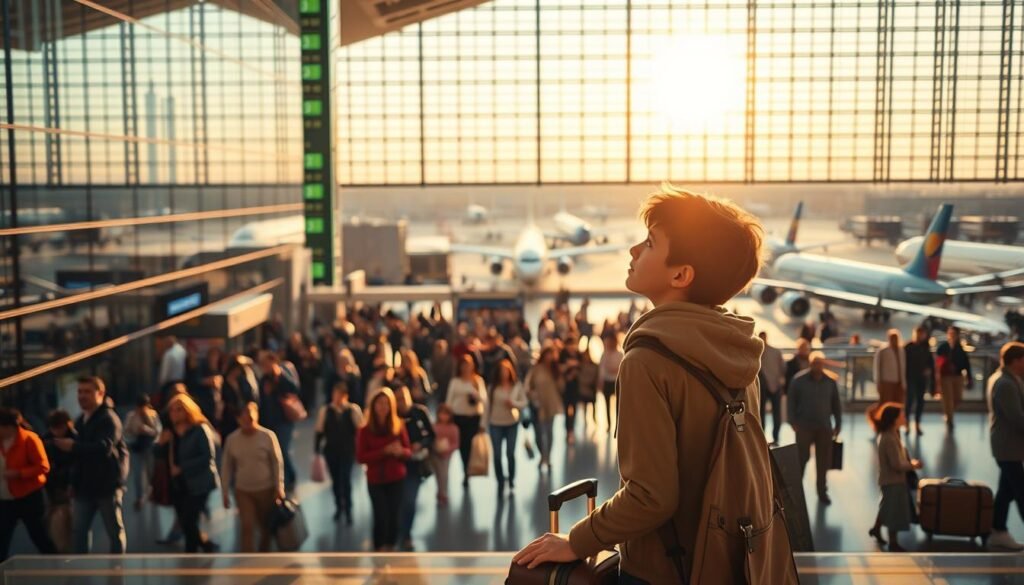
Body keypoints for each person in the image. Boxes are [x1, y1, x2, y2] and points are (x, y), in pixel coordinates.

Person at [513, 186, 780, 582]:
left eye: (650, 243)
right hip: (730, 563)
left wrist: (576, 540)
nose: (634, 250)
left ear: (681, 274)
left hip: (664, 570)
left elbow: (651, 497)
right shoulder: (738, 351)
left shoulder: (647, 361)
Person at [54, 377, 129, 554]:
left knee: (114, 531)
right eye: (80, 392)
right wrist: (73, 482)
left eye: (87, 391)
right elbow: (79, 458)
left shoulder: (109, 419)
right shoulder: (81, 420)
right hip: (84, 487)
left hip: (106, 487)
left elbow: (105, 447)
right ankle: (81, 570)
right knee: (79, 532)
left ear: (100, 393)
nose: (82, 396)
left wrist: (73, 446)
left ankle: (117, 570)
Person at [221, 401, 285, 552]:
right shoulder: (232, 439)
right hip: (243, 490)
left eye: (250, 415)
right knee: (247, 526)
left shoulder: (268, 436)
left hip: (266, 489)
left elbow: (277, 462)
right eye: (243, 416)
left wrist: (279, 487)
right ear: (238, 419)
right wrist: (224, 492)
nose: (247, 419)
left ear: (257, 416)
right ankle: (247, 557)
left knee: (265, 527)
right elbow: (226, 466)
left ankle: (263, 555)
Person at [356, 388, 411, 552]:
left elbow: (408, 452)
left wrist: (401, 452)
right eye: (380, 404)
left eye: (386, 404)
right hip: (375, 479)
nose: (383, 407)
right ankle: (379, 547)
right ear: (373, 406)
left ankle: (391, 546)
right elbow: (361, 457)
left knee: (394, 515)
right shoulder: (364, 430)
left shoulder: (398, 426)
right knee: (381, 515)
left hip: (396, 477)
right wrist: (383, 452)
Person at [0, 408, 57, 561]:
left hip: (29, 496)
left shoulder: (29, 439)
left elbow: (43, 466)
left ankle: (57, 566)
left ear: (8, 427)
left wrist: (19, 473)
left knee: (39, 536)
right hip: (6, 499)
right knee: (2, 539)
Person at [166, 393, 219, 553]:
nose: (175, 414)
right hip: (178, 484)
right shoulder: (171, 432)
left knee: (189, 520)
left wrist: (183, 467)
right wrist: (161, 443)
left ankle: (193, 553)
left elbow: (208, 456)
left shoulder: (199, 429)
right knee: (186, 521)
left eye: (180, 410)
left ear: (188, 411)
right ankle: (205, 545)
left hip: (200, 482)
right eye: (173, 410)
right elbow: (159, 454)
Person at [788, 352, 843, 504]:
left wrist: (838, 423)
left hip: (824, 427)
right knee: (801, 459)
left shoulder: (830, 382)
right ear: (810, 364)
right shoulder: (798, 381)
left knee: (823, 461)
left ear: (823, 364)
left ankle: (822, 491)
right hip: (804, 427)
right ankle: (797, 492)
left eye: (820, 363)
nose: (817, 366)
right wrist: (792, 421)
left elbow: (836, 405)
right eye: (815, 363)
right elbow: (791, 402)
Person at [867, 403, 922, 552]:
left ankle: (876, 529)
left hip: (888, 479)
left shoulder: (890, 435)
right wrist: (913, 465)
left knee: (886, 506)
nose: (904, 418)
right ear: (894, 419)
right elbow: (896, 464)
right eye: (902, 416)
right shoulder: (890, 438)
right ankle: (893, 542)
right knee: (894, 512)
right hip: (893, 481)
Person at [985, 341, 1024, 551]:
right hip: (1008, 446)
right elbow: (1017, 418)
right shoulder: (1006, 384)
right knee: (1020, 490)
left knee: (1006, 491)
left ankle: (997, 530)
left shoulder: (1005, 379)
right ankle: (997, 530)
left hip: (1007, 446)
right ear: (1017, 360)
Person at [314, 381, 363, 524]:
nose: (337, 398)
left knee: (346, 479)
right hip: (331, 451)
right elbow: (319, 431)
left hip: (347, 451)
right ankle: (338, 506)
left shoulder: (352, 410)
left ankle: (348, 509)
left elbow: (360, 431)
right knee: (335, 480)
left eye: (340, 395)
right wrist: (316, 451)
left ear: (345, 396)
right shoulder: (325, 411)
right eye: (335, 394)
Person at [396, 385, 435, 550]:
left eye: (404, 398)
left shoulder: (419, 412)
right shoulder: (392, 416)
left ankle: (406, 535)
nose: (402, 402)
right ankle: (397, 532)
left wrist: (421, 444)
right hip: (395, 465)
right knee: (397, 502)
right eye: (398, 399)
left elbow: (431, 435)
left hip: (414, 466)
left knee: (409, 501)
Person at [258, 350, 301, 491]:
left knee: (283, 449)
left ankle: (290, 477)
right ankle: (282, 477)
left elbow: (294, 388)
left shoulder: (282, 373)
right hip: (269, 420)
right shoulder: (264, 379)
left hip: (284, 419)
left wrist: (279, 377)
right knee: (274, 451)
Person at [445, 354, 487, 487]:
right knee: (463, 446)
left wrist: (474, 394)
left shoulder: (477, 381)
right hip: (459, 418)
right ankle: (465, 470)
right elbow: (449, 401)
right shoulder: (455, 382)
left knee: (470, 446)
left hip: (473, 417)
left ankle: (469, 468)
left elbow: (484, 401)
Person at [487, 359, 527, 493]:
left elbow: (524, 403)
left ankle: (511, 478)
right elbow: (487, 406)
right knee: (497, 454)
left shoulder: (516, 386)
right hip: (496, 423)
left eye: (506, 371)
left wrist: (513, 404)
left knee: (510, 453)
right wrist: (483, 424)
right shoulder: (493, 388)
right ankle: (500, 479)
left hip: (511, 423)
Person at [525, 346, 563, 471]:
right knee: (539, 432)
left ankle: (547, 457)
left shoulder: (554, 369)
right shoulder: (536, 369)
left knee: (549, 431)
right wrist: (532, 395)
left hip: (551, 403)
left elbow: (561, 386)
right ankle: (542, 455)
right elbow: (528, 385)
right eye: (548, 354)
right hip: (538, 404)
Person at [124, 394, 161, 510]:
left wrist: (146, 430)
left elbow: (157, 431)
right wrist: (134, 432)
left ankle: (153, 493)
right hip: (136, 448)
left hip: (149, 447)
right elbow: (125, 433)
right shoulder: (131, 416)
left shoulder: (153, 415)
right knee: (137, 474)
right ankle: (139, 497)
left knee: (151, 472)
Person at [936, 326, 973, 430]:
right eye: (950, 333)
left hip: (958, 376)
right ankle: (949, 419)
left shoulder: (960, 348)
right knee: (947, 398)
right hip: (946, 376)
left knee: (957, 398)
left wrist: (969, 378)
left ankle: (948, 413)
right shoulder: (943, 347)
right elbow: (938, 361)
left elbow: (966, 363)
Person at [220, 354, 259, 439]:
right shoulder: (223, 382)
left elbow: (250, 397)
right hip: (229, 418)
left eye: (238, 370)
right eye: (235, 369)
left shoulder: (242, 381)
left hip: (244, 416)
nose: (236, 372)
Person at [904, 326, 934, 436]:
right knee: (909, 400)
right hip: (910, 377)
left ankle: (917, 424)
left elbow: (930, 363)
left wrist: (928, 370)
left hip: (921, 379)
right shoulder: (908, 347)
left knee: (920, 402)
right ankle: (906, 423)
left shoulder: (925, 347)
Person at [758, 331, 786, 445]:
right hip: (762, 387)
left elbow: (783, 368)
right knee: (760, 413)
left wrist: (780, 380)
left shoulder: (774, 352)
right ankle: (761, 437)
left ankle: (775, 437)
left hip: (775, 385)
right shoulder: (756, 352)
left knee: (776, 414)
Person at [874, 329, 907, 422]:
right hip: (887, 382)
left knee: (898, 404)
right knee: (885, 404)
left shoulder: (901, 351)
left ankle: (895, 423)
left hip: (899, 382)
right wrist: (878, 382)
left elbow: (903, 367)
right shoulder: (883, 351)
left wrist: (904, 383)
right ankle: (881, 422)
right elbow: (877, 367)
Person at [431, 404, 459, 506]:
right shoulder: (434, 427)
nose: (443, 417)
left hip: (447, 455)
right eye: (441, 414)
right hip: (435, 453)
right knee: (438, 473)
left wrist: (447, 450)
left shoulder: (453, 428)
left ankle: (443, 493)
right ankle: (440, 490)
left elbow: (456, 443)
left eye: (446, 414)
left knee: (444, 473)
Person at [597, 333, 623, 431]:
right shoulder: (605, 354)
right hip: (607, 381)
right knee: (606, 403)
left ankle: (618, 423)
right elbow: (602, 369)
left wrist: (614, 369)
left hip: (616, 381)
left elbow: (621, 368)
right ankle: (609, 423)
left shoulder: (619, 354)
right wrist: (600, 381)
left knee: (618, 404)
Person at [430, 339, 456, 405]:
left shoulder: (451, 361)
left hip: (447, 389)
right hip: (437, 391)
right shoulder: (433, 360)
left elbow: (452, 376)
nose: (439, 350)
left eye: (440, 348)